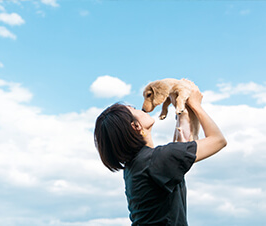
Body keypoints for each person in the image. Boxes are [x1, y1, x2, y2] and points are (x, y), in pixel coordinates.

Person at [94, 80, 227, 226]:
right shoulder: (157, 158)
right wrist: (196, 105)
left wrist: (179, 106)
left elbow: (180, 146)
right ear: (136, 126)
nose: (142, 109)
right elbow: (218, 140)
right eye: (134, 109)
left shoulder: (136, 165)